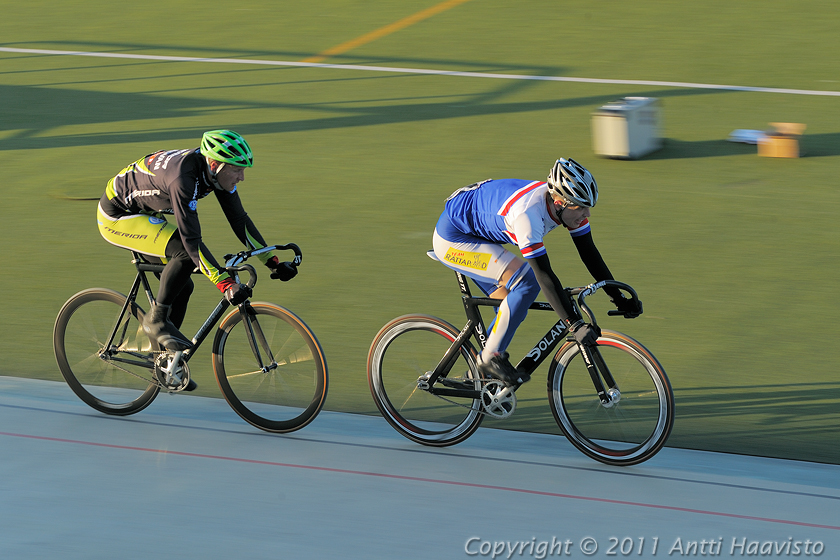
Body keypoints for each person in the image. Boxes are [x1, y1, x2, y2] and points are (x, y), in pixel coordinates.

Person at [96, 130, 299, 387]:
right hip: (117, 217)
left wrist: (273, 262)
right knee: (184, 254)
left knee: (183, 285)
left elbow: (239, 221)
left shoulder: (214, 174)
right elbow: (191, 241)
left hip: (143, 212)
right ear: (214, 165)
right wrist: (225, 284)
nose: (242, 177)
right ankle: (155, 320)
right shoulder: (184, 179)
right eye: (237, 170)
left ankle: (164, 362)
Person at [432, 158, 642, 386]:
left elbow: (589, 253)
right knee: (526, 281)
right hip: (454, 239)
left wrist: (617, 296)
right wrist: (574, 324)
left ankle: (480, 378)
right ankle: (489, 358)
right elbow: (543, 275)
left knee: (512, 307)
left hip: (479, 231)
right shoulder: (528, 217)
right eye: (581, 207)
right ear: (560, 201)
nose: (587, 214)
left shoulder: (564, 207)